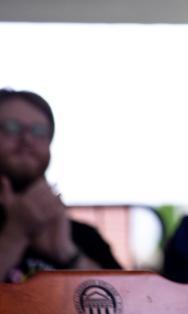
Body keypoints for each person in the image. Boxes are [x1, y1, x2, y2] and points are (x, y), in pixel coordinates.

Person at [0, 88, 121, 282]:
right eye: (12, 128)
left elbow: (131, 304)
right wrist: (14, 235)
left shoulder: (81, 236)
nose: (27, 139)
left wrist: (67, 253)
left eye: (39, 131)